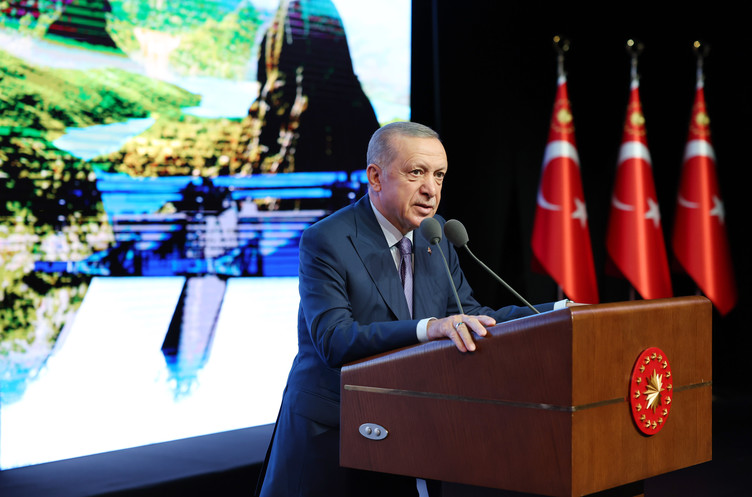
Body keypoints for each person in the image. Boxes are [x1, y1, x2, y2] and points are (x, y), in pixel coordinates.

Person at [255, 121, 566, 497]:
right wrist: (430, 327)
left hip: (408, 428)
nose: (431, 189)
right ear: (375, 177)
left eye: (439, 175)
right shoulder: (327, 240)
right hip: (333, 438)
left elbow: (469, 317)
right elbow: (334, 340)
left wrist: (560, 311)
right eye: (416, 172)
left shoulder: (435, 236)